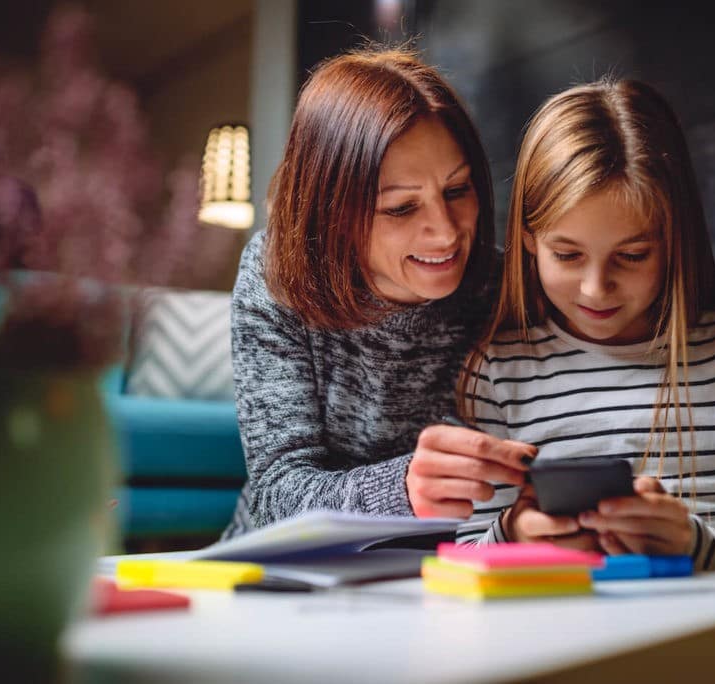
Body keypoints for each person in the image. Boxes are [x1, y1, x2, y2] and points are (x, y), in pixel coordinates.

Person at [454, 78, 715, 572]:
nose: (596, 288)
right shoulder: (497, 369)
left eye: (632, 255)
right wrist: (515, 533)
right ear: (529, 239)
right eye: (568, 254)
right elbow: (464, 564)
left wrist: (691, 544)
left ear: (673, 241)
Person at [222, 47, 535, 539]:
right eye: (401, 209)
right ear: (332, 210)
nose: (447, 232)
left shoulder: (503, 286)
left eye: (457, 191)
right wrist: (405, 490)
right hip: (284, 570)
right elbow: (276, 493)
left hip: (448, 573)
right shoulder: (275, 276)